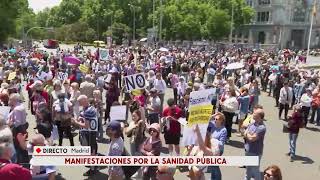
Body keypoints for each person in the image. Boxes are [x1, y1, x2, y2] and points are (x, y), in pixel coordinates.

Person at [73, 95, 99, 176]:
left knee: (92, 151)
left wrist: (75, 122)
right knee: (92, 150)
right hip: (90, 133)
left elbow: (86, 125)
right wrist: (81, 118)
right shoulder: (89, 108)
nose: (79, 104)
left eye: (80, 102)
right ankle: (94, 166)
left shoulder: (88, 110)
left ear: (84, 101)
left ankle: (92, 169)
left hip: (90, 133)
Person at [244, 108, 266, 180]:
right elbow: (244, 133)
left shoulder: (261, 127)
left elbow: (252, 139)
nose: (252, 114)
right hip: (248, 149)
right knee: (248, 170)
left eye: (254, 113)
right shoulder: (252, 123)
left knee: (255, 171)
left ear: (259, 116)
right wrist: (248, 134)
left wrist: (247, 134)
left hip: (255, 152)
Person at [206, 112, 227, 180]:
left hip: (218, 150)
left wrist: (213, 140)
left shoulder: (223, 130)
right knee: (212, 166)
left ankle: (218, 178)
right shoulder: (212, 125)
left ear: (221, 121)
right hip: (211, 149)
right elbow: (206, 120)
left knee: (214, 166)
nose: (214, 120)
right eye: (214, 119)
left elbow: (221, 143)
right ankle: (213, 178)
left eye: (216, 119)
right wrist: (213, 115)